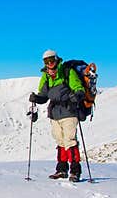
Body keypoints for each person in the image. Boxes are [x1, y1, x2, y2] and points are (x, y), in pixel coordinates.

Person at [29, 49, 85, 181]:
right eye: (46, 61)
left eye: (51, 60)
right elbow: (44, 96)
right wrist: (36, 98)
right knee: (60, 141)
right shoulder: (46, 76)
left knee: (70, 141)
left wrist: (76, 95)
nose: (49, 63)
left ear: (56, 59)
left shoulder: (67, 72)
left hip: (69, 111)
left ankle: (75, 171)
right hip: (54, 113)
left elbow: (79, 88)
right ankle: (61, 170)